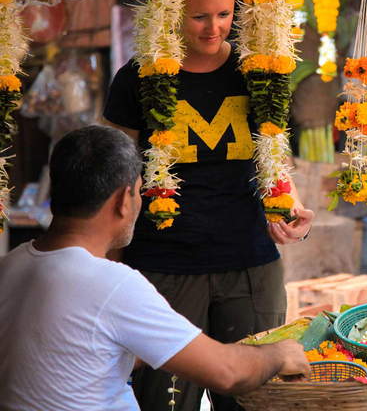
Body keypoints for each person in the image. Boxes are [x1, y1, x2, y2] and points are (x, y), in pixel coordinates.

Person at [103, 0, 315, 411]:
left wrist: (290, 211)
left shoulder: (257, 73)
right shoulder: (137, 79)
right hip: (163, 267)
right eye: (199, 16)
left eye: (224, 14)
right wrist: (108, 265)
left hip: (249, 267)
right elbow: (116, 177)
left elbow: (274, 162)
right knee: (164, 401)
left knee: (256, 401)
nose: (213, 28)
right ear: (173, 11)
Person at [0, 126, 311, 411]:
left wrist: (171, 343)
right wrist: (279, 354)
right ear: (124, 200)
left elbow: (79, 349)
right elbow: (226, 373)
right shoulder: (113, 285)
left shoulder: (10, 266)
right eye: (139, 192)